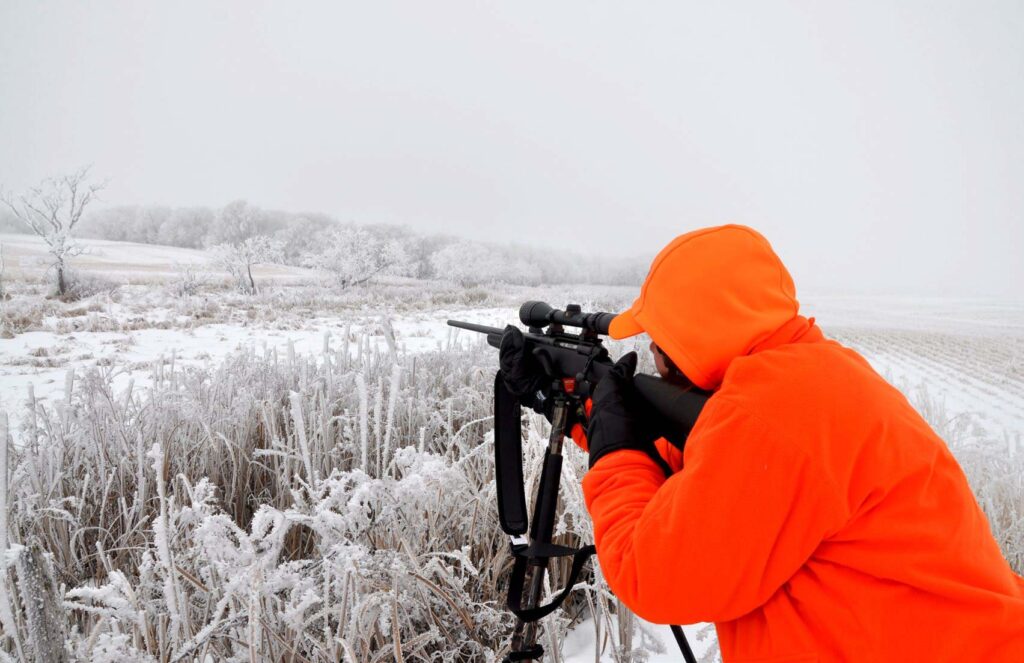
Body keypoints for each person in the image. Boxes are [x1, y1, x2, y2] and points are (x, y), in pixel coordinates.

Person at [500, 224, 1024, 662]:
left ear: (700, 337)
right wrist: (576, 411)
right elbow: (710, 479)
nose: (656, 354)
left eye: (663, 340)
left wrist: (613, 449)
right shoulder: (804, 378)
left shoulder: (771, 413)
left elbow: (650, 573)